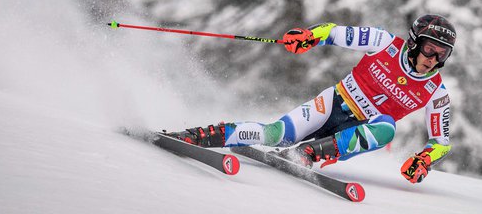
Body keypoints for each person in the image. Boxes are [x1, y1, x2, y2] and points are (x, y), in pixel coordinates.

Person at [168, 14, 456, 184]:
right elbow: (333, 32)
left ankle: (307, 154)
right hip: (334, 103)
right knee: (275, 134)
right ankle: (199, 136)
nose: (433, 60)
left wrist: (423, 160)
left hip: (359, 131)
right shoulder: (383, 43)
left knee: (386, 127)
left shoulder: (436, 92)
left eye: (442, 55)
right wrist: (309, 36)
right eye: (430, 49)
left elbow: (441, 142)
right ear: (414, 43)